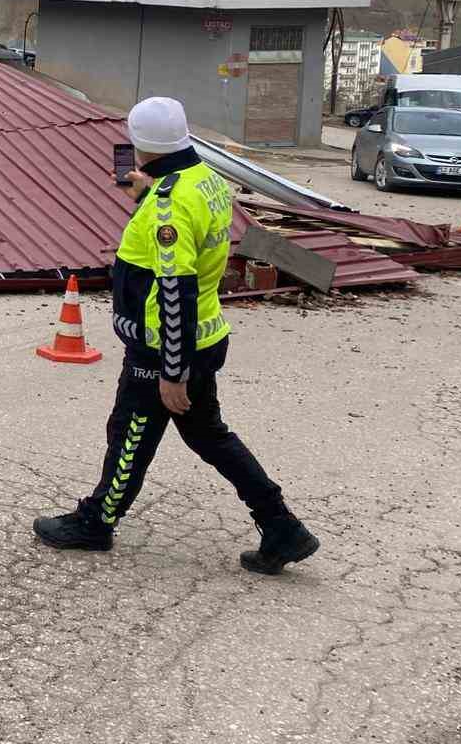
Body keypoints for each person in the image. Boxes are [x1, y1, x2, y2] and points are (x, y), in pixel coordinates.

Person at [33, 96, 319, 575]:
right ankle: (280, 525)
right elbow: (186, 237)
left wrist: (172, 370)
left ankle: (97, 521)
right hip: (204, 336)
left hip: (165, 344)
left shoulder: (169, 205)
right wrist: (146, 193)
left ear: (141, 146)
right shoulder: (204, 179)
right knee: (210, 435)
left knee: (131, 432)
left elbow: (174, 289)